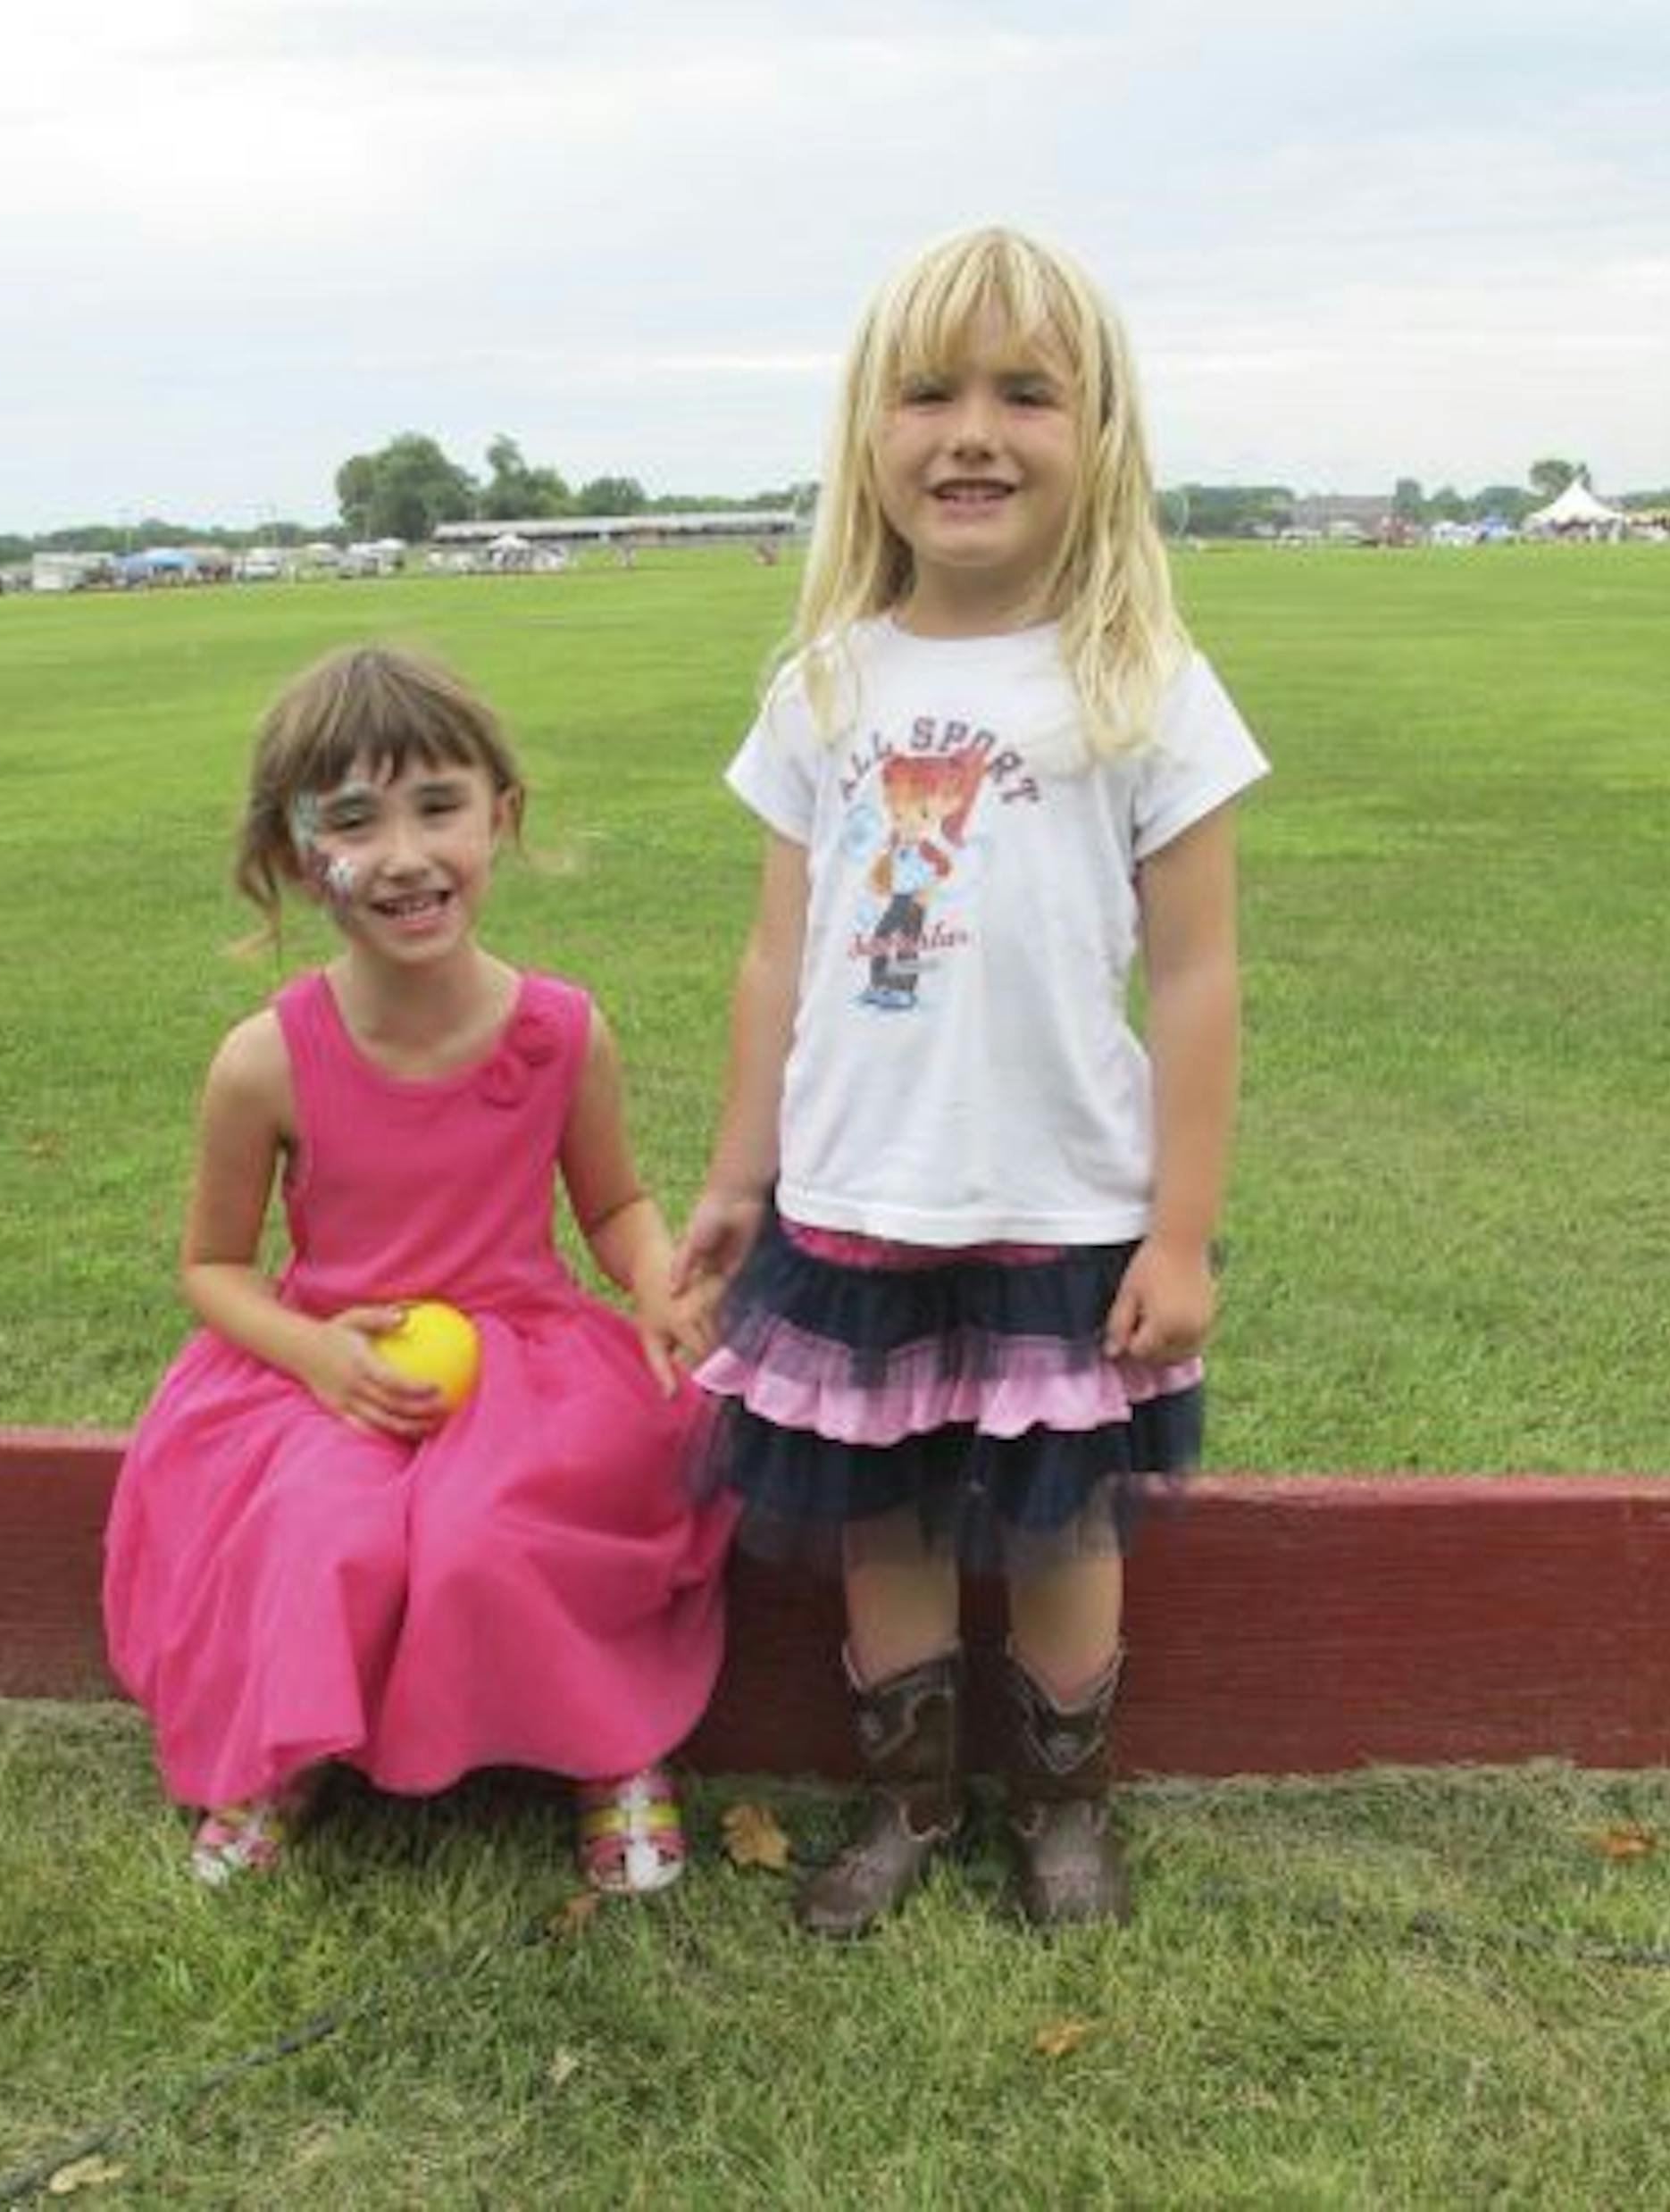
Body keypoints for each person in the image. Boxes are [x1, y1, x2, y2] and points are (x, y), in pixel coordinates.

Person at [674, 227, 1268, 1936]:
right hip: (855, 1192)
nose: (973, 432)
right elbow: (776, 961)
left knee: (1065, 1520)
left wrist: (1182, 1230)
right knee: (886, 1517)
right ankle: (906, 1805)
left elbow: (1198, 973)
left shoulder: (1143, 687)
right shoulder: (826, 687)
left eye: (1027, 392)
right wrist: (734, 1177)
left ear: (1102, 435)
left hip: (1062, 1198)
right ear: (869, 434)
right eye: (927, 393)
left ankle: (1065, 1814)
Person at [104, 643, 733, 1891]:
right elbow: (214, 1266)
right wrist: (318, 1355)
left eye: (438, 807)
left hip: (529, 1359)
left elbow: (612, 1202)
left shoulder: (563, 1029)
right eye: (352, 821)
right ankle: (279, 1753)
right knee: (319, 1526)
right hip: (325, 1364)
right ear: (298, 854)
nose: (402, 854)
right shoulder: (263, 1061)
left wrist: (660, 1279)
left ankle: (612, 1748)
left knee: (489, 1526)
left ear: (500, 819)